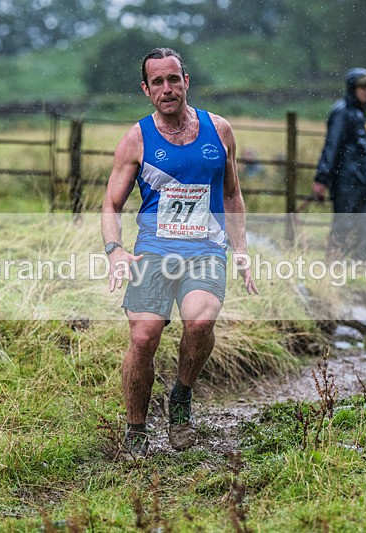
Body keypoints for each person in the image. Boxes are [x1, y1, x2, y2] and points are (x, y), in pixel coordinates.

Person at [101, 47, 258, 459]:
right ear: (146, 89)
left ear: (186, 81)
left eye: (174, 79)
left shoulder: (218, 130)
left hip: (206, 248)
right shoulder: (137, 139)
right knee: (143, 336)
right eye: (158, 82)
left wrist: (241, 248)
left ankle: (182, 395)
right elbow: (111, 204)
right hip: (153, 251)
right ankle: (136, 428)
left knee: (200, 321)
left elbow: (232, 193)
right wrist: (115, 250)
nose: (167, 89)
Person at [313, 68, 366, 261]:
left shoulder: (359, 113)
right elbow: (332, 146)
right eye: (362, 87)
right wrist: (322, 179)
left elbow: (357, 135)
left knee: (365, 229)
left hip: (365, 184)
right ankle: (335, 266)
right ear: (352, 88)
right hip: (347, 184)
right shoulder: (342, 111)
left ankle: (362, 269)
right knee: (344, 227)